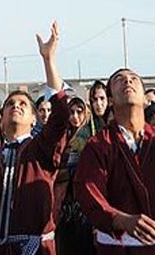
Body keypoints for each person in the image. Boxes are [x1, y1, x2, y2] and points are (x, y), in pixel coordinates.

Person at [74, 58, 155, 254]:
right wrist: (121, 219)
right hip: (120, 248)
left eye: (134, 79)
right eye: (119, 79)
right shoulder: (98, 146)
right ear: (110, 100)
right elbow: (89, 194)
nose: (128, 81)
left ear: (145, 98)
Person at [0, 22, 69, 255]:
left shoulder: (42, 148)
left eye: (23, 104)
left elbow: (60, 116)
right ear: (1, 119)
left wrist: (48, 60)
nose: (15, 106)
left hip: (36, 250)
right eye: (10, 104)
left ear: (34, 119)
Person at [55, 96, 96, 255]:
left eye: (79, 112)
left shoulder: (91, 138)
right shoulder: (62, 137)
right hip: (64, 200)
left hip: (84, 201)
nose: (75, 117)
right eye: (71, 112)